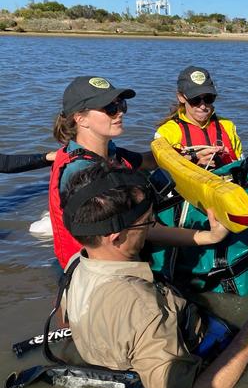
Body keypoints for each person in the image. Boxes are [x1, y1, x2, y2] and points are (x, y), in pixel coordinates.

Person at [59, 163, 248, 388]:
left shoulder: (77, 263)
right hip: (191, 368)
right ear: (115, 238)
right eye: (147, 222)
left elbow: (67, 322)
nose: (153, 225)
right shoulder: (142, 307)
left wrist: (209, 237)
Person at [50, 75, 165, 268]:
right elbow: (121, 232)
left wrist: (185, 154)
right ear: (81, 119)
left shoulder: (107, 152)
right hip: (98, 269)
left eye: (121, 105)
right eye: (110, 109)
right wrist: (204, 237)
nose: (120, 113)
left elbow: (146, 161)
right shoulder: (81, 172)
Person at [155, 66, 243, 169]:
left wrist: (226, 158)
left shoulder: (228, 126)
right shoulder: (167, 132)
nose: (202, 106)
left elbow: (241, 161)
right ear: (181, 97)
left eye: (208, 98)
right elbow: (166, 167)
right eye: (195, 100)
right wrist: (196, 162)